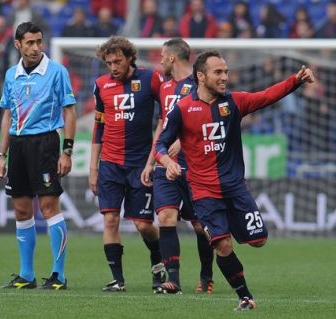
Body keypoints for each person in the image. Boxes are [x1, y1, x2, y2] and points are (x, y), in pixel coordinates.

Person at [155, 50, 314, 310]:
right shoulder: (183, 109)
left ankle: (226, 226)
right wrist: (168, 161)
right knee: (222, 245)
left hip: (235, 189)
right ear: (201, 76)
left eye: (226, 72)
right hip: (203, 192)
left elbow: (266, 96)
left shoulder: (234, 103)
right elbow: (160, 143)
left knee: (259, 240)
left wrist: (295, 80)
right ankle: (245, 297)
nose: (224, 77)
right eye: (218, 72)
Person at [0, 22, 77, 290]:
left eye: (38, 41)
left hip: (45, 143)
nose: (35, 47)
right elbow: (7, 114)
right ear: (18, 44)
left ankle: (59, 275)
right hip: (17, 146)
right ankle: (26, 275)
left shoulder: (56, 71)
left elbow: (70, 112)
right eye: (29, 43)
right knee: (20, 209)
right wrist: (1, 154)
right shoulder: (11, 75)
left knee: (49, 207)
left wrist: (67, 151)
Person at [89, 36, 166, 292]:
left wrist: (154, 158)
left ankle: (158, 263)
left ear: (130, 57)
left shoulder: (150, 79)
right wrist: (93, 168)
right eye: (109, 62)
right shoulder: (101, 85)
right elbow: (98, 127)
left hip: (140, 165)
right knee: (110, 220)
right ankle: (117, 280)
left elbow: (166, 116)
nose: (113, 66)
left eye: (118, 61)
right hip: (110, 164)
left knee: (143, 224)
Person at [142, 38, 214, 294]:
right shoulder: (164, 87)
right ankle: (173, 280)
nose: (160, 60)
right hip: (166, 165)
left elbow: (206, 120)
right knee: (166, 217)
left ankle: (207, 275)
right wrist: (151, 160)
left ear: (172, 57)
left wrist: (182, 143)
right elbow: (162, 125)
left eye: (162, 55)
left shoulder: (200, 83)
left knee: (199, 225)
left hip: (195, 165)